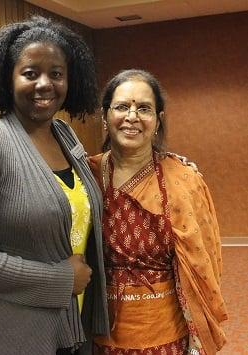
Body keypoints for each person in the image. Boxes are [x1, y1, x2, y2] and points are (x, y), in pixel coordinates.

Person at [0, 16, 109, 355]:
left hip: (66, 329)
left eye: (56, 73)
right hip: (0, 335)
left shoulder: (65, 136)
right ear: (8, 78)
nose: (45, 83)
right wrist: (59, 281)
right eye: (30, 73)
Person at [89, 69, 228, 354]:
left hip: (166, 334)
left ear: (158, 119)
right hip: (97, 332)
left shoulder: (183, 179)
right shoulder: (86, 174)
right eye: (122, 107)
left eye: (144, 108)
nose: (132, 116)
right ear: (105, 116)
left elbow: (205, 264)